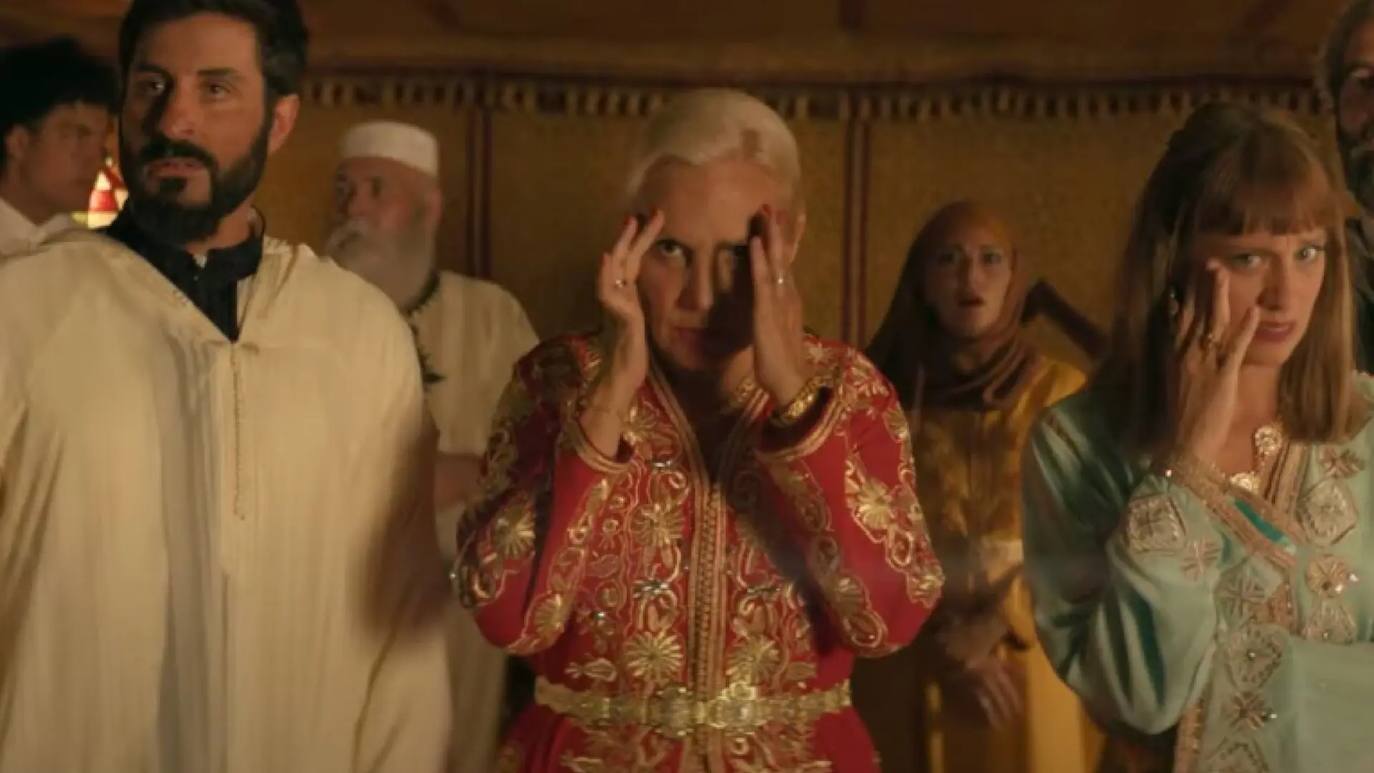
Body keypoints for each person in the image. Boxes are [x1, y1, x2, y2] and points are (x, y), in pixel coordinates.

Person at [0, 1, 450, 770]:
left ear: (280, 120)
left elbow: (402, 615)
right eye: (151, 86)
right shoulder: (23, 309)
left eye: (215, 89)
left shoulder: (356, 334)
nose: (174, 120)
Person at [453, 88, 943, 771]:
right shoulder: (556, 382)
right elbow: (509, 618)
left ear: (793, 237)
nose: (703, 296)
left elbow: (890, 620)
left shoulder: (848, 392)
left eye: (737, 253)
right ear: (628, 237)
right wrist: (607, 405)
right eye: (671, 250)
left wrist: (796, 406)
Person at [1023, 102, 1374, 772]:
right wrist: (1185, 469)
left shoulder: (1367, 427)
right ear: (1174, 261)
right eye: (1249, 258)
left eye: (1307, 253)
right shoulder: (1075, 446)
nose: (1285, 295)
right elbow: (1140, 699)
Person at [859, 202, 1099, 773]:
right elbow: (855, 534)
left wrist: (999, 622)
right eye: (949, 260)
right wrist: (945, 642)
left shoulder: (1064, 394)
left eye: (990, 259)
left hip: (1031, 653)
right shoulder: (877, 396)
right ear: (922, 281)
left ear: (1015, 277)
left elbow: (1095, 535)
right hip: (913, 655)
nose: (971, 277)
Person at [327, 119, 537, 773]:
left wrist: (470, 474)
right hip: (331, 599)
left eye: (378, 190)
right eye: (345, 190)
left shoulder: (492, 316)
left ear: (430, 208)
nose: (355, 208)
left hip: (454, 607)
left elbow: (549, 454)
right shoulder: (302, 313)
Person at [0, 37, 115, 257]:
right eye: (77, 136)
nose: (96, 161)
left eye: (101, 144)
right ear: (19, 142)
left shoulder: (96, 256)